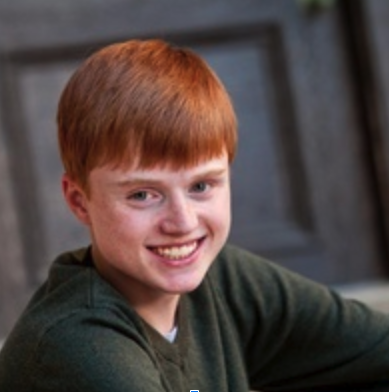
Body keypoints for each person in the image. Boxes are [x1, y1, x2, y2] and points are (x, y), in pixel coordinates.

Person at [0, 39, 389, 392]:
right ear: (80, 201)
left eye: (202, 186)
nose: (183, 222)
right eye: (142, 194)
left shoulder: (221, 280)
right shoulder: (77, 348)